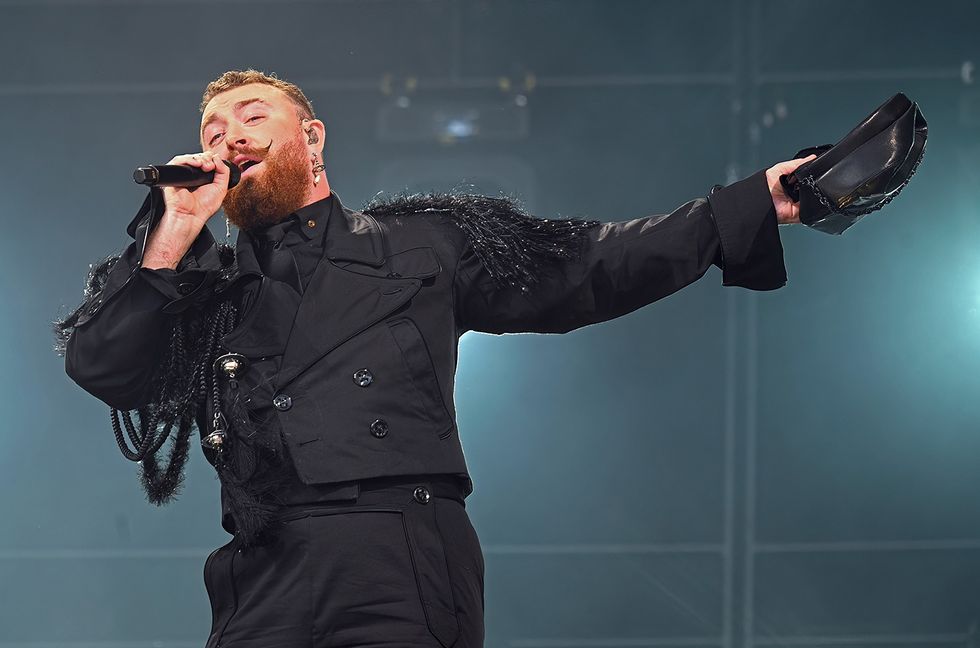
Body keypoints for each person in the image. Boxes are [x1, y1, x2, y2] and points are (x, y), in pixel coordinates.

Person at [57, 69, 817, 648]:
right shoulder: (197, 294)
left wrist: (748, 205)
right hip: (258, 570)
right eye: (214, 129)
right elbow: (103, 367)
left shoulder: (420, 241)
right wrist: (174, 230)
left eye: (254, 116)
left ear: (313, 138)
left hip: (395, 551)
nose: (230, 136)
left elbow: (590, 265)